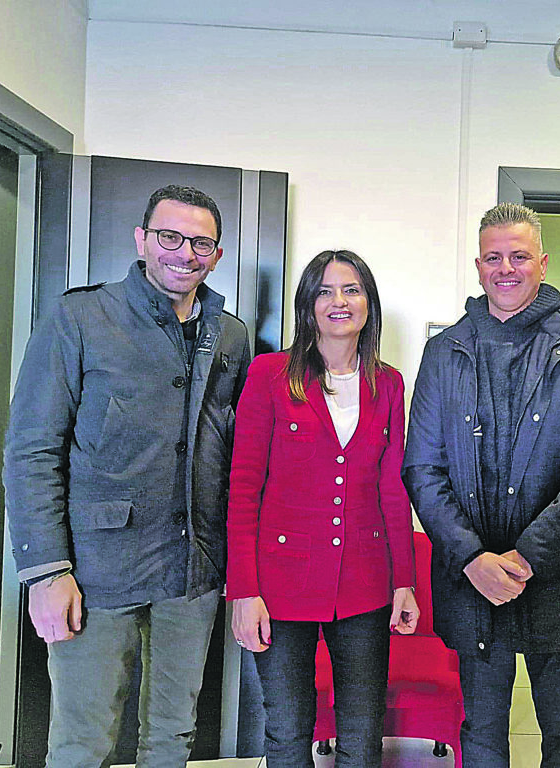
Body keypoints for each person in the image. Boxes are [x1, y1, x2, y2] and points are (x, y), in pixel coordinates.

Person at [4, 185, 251, 766]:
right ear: (142, 240)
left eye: (201, 243)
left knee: (173, 736)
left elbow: (234, 454)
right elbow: (31, 450)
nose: (184, 253)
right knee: (83, 740)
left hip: (192, 569)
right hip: (94, 569)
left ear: (216, 255)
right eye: (170, 237)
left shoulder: (230, 334)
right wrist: (46, 572)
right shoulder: (80, 317)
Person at [403, 202, 560, 767]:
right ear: (478, 267)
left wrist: (528, 557)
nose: (506, 268)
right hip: (472, 584)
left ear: (543, 263)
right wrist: (471, 557)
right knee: (481, 737)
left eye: (519, 256)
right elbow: (422, 467)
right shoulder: (445, 351)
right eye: (493, 258)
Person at [227, 249, 419, 767]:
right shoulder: (270, 374)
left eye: (352, 290)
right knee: (288, 730)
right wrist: (243, 590)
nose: (340, 301)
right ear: (307, 304)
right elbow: (243, 489)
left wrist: (404, 581)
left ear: (368, 303)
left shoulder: (388, 382)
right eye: (325, 291)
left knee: (362, 731)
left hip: (364, 581)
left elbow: (392, 488)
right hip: (280, 584)